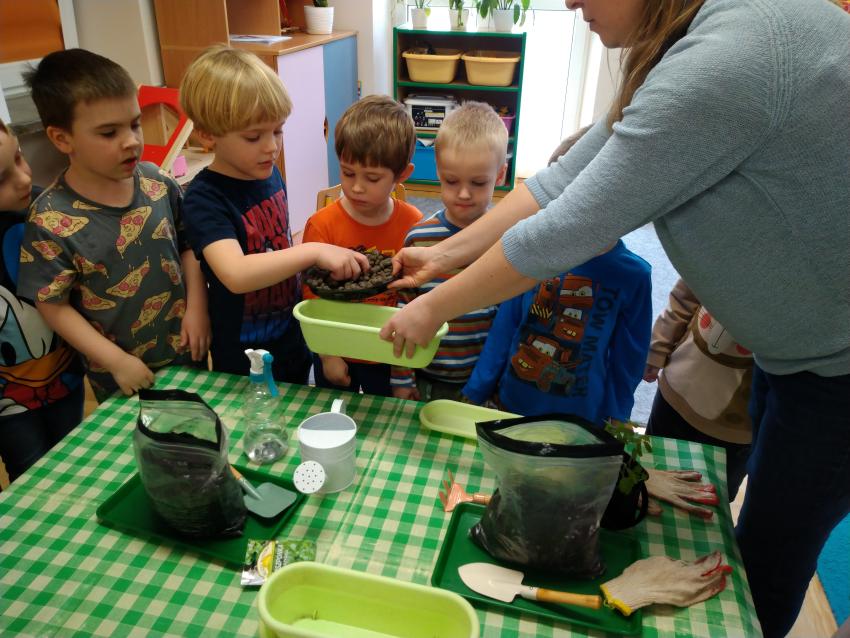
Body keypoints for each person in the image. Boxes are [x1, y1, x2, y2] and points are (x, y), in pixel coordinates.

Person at [379, 1, 850, 635]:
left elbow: (567, 228)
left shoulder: (722, 64)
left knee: (768, 561)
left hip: (837, 369)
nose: (572, 3)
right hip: (797, 353)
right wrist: (443, 255)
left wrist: (432, 307)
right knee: (761, 536)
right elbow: (558, 184)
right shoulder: (690, 45)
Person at [18, 49, 211, 402]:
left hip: (188, 351)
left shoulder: (157, 182)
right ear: (62, 139)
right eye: (109, 133)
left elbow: (189, 246)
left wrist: (198, 309)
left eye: (134, 124)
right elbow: (52, 304)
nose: (132, 140)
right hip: (120, 376)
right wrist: (115, 360)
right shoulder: (49, 219)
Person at [179, 46, 368, 382]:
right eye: (253, 137)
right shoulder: (204, 197)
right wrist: (312, 251)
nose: (271, 147)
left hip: (290, 338)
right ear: (208, 135)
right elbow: (235, 273)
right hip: (244, 357)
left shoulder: (270, 175)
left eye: (277, 130)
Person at [462, 126, 651, 423]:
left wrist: (617, 414)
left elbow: (629, 358)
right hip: (512, 402)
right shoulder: (532, 250)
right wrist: (477, 389)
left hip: (580, 418)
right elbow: (505, 326)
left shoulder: (633, 276)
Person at [302, 95, 421, 396]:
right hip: (335, 348)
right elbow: (311, 297)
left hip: (387, 351)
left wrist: (405, 371)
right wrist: (328, 354)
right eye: (347, 172)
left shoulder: (414, 224)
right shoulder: (322, 225)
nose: (356, 187)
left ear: (402, 175)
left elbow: (417, 294)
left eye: (372, 178)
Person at [390, 102, 507, 402]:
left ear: (500, 175)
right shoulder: (419, 239)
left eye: (478, 182)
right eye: (452, 181)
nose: (464, 193)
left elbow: (510, 321)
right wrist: (402, 376)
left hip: (483, 382)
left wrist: (495, 384)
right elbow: (403, 308)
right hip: (425, 375)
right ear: (438, 172)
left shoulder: (505, 241)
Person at [0, 119, 84, 483]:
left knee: (74, 459)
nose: (23, 179)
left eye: (19, 158)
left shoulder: (47, 209)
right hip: (8, 404)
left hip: (66, 376)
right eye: (1, 179)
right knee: (30, 475)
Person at [643, 278, 753, 502]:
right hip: (678, 388)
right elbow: (686, 293)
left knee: (709, 501)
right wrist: (658, 347)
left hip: (739, 425)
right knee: (647, 475)